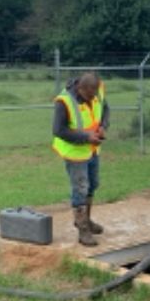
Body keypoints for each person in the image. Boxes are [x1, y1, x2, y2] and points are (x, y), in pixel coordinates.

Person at [52, 72, 109, 246]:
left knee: (93, 184)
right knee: (80, 188)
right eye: (88, 96)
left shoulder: (97, 91)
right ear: (80, 88)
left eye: (94, 95)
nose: (92, 99)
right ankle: (82, 229)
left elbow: (105, 110)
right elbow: (58, 130)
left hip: (92, 149)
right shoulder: (64, 102)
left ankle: (87, 220)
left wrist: (102, 127)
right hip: (74, 152)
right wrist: (86, 137)